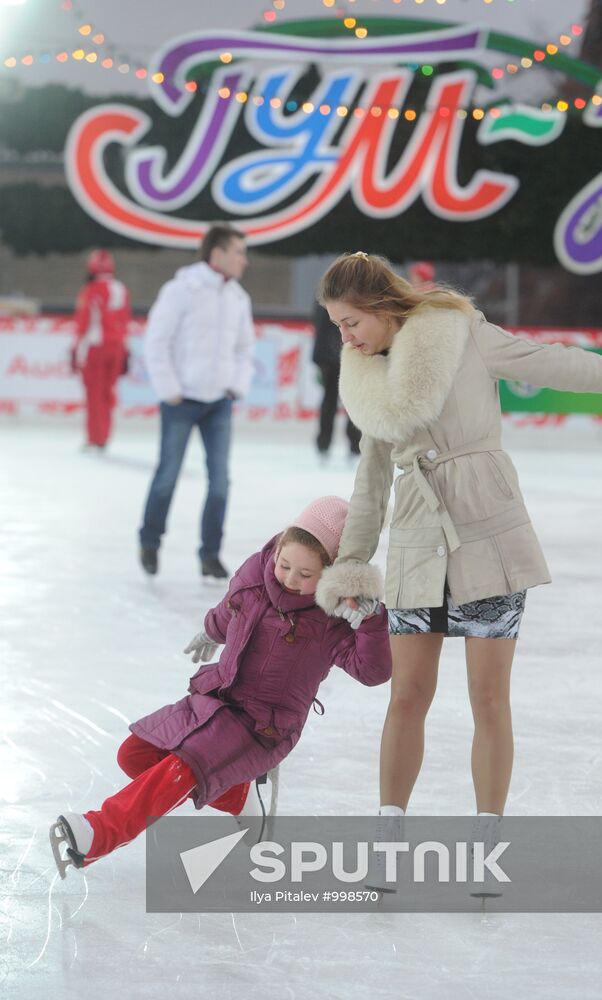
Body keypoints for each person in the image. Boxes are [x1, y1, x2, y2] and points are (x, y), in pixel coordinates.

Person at [313, 251, 602, 863]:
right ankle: (387, 841)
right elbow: (371, 479)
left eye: (349, 322)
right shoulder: (367, 377)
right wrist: (353, 563)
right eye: (336, 325)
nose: (345, 336)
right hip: (416, 541)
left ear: (382, 308)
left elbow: (556, 364)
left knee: (488, 698)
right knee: (407, 695)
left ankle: (485, 847)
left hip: (486, 531)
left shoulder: (461, 332)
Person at [49, 496, 392, 878]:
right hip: (216, 696)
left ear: (329, 575)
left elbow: (372, 671)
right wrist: (210, 630)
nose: (290, 578)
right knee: (135, 755)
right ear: (277, 550)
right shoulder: (256, 573)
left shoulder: (331, 620)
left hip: (262, 724)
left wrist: (373, 620)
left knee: (184, 767)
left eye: (305, 574)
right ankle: (242, 797)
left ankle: (98, 833)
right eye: (285, 565)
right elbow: (231, 607)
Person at [138, 224, 256, 579]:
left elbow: (245, 348)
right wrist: (169, 388)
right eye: (239, 253)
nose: (244, 261)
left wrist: (235, 386)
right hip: (180, 401)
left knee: (220, 481)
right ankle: (150, 541)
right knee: (167, 476)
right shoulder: (180, 290)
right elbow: (156, 342)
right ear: (216, 253)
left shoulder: (238, 298)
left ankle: (210, 554)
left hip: (218, 402)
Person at [70, 249, 131, 451]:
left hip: (96, 348)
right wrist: (125, 350)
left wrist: (75, 348)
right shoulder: (121, 289)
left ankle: (95, 437)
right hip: (117, 348)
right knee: (107, 393)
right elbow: (125, 321)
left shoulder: (91, 290)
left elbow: (84, 323)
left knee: (94, 395)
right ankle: (104, 436)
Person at [312, 301, 361, 461]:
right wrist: (320, 359)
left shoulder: (354, 294)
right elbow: (320, 325)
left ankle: (355, 446)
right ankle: (324, 445)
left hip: (350, 357)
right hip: (331, 360)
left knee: (353, 405)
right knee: (330, 403)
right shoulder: (327, 295)